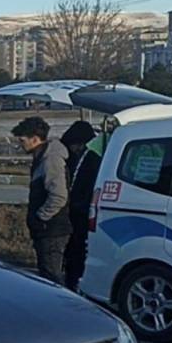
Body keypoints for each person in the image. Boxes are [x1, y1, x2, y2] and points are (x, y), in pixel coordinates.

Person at [13, 116, 71, 284]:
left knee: (51, 275)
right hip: (47, 228)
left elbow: (59, 195)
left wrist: (41, 217)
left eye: (23, 139)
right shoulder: (42, 157)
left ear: (35, 139)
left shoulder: (50, 160)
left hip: (52, 228)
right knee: (48, 273)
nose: (20, 143)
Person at [61, 120, 102, 290]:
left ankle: (75, 283)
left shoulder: (91, 159)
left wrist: (77, 206)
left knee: (78, 252)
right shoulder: (79, 158)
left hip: (82, 214)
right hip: (76, 212)